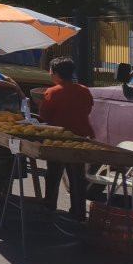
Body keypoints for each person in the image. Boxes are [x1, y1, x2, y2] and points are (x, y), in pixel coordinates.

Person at [40, 57, 94, 221]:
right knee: (77, 176)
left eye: (50, 71)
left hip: (58, 139)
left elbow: (44, 116)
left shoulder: (52, 92)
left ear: (56, 73)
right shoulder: (85, 90)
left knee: (53, 173)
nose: (50, 75)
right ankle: (78, 212)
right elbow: (89, 108)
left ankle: (49, 206)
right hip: (80, 138)